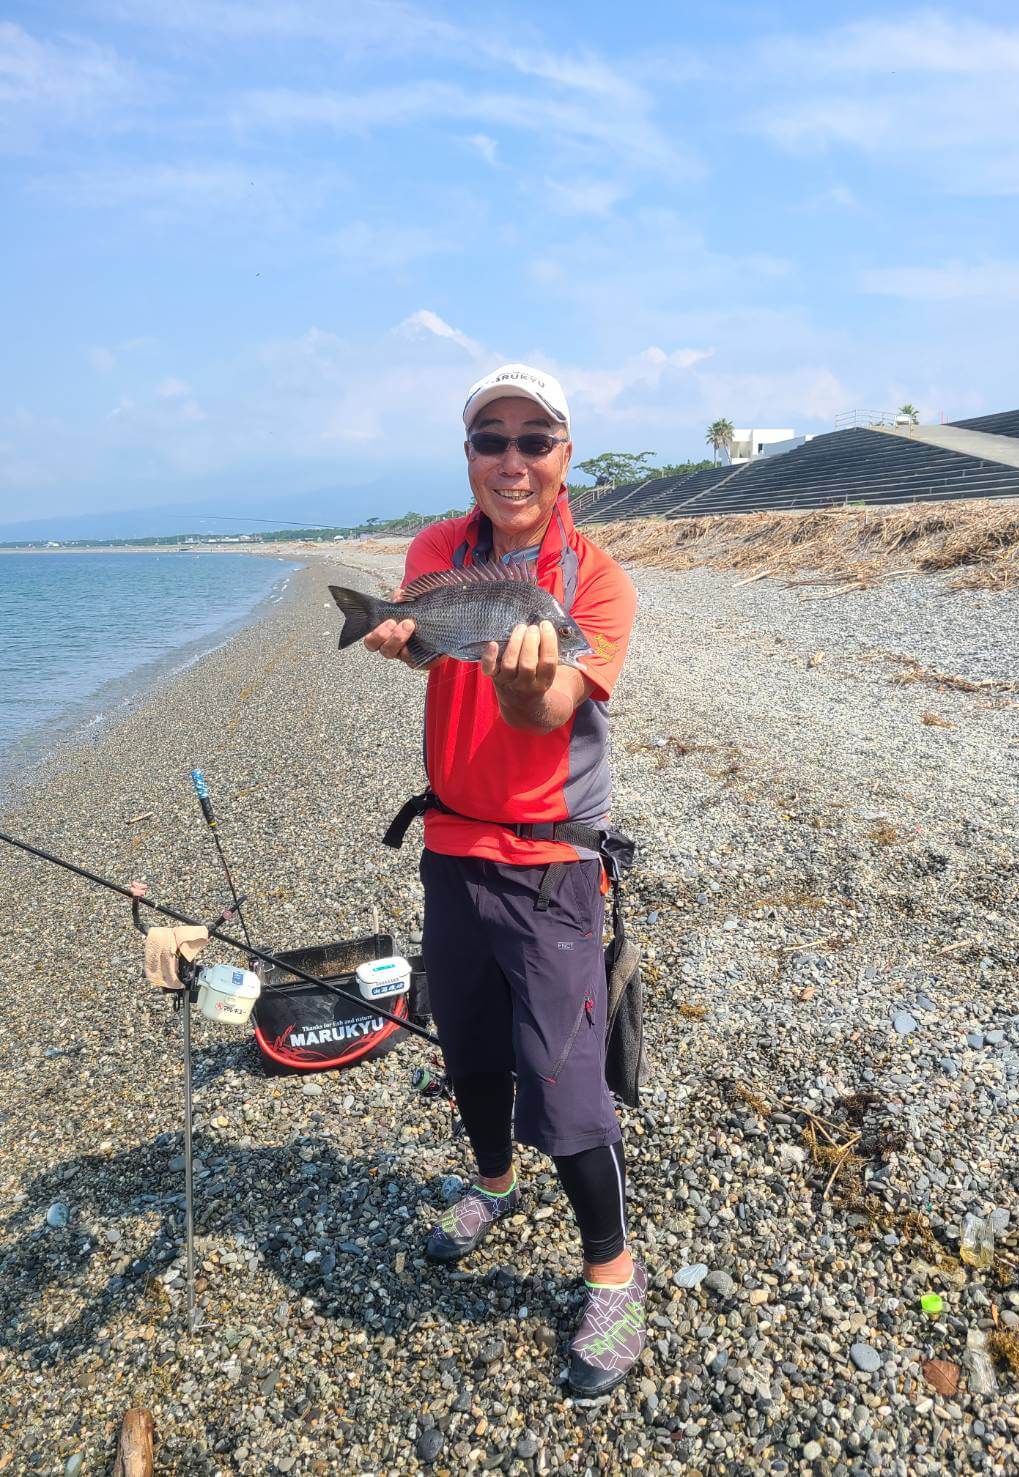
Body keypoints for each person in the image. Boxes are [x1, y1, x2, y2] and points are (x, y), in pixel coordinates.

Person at [362, 363, 645, 1396]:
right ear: (468, 453)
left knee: (565, 1075)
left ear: (567, 454)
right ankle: (491, 1182)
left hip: (553, 862)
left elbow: (547, 706)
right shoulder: (438, 550)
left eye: (537, 439)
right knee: (471, 1042)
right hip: (451, 846)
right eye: (492, 438)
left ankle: (613, 1272)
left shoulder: (596, 581)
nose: (513, 460)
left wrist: (528, 679)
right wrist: (404, 643)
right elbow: (430, 648)